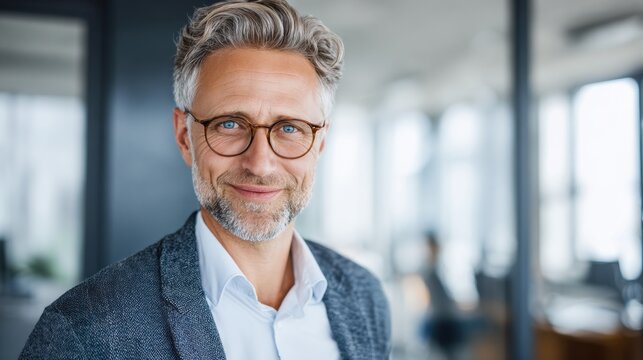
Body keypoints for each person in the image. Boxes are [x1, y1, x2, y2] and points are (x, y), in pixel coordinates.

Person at [19, 1, 391, 358]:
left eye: (289, 128)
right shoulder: (85, 329)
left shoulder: (364, 298)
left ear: (319, 143)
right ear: (184, 136)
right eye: (229, 124)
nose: (260, 163)